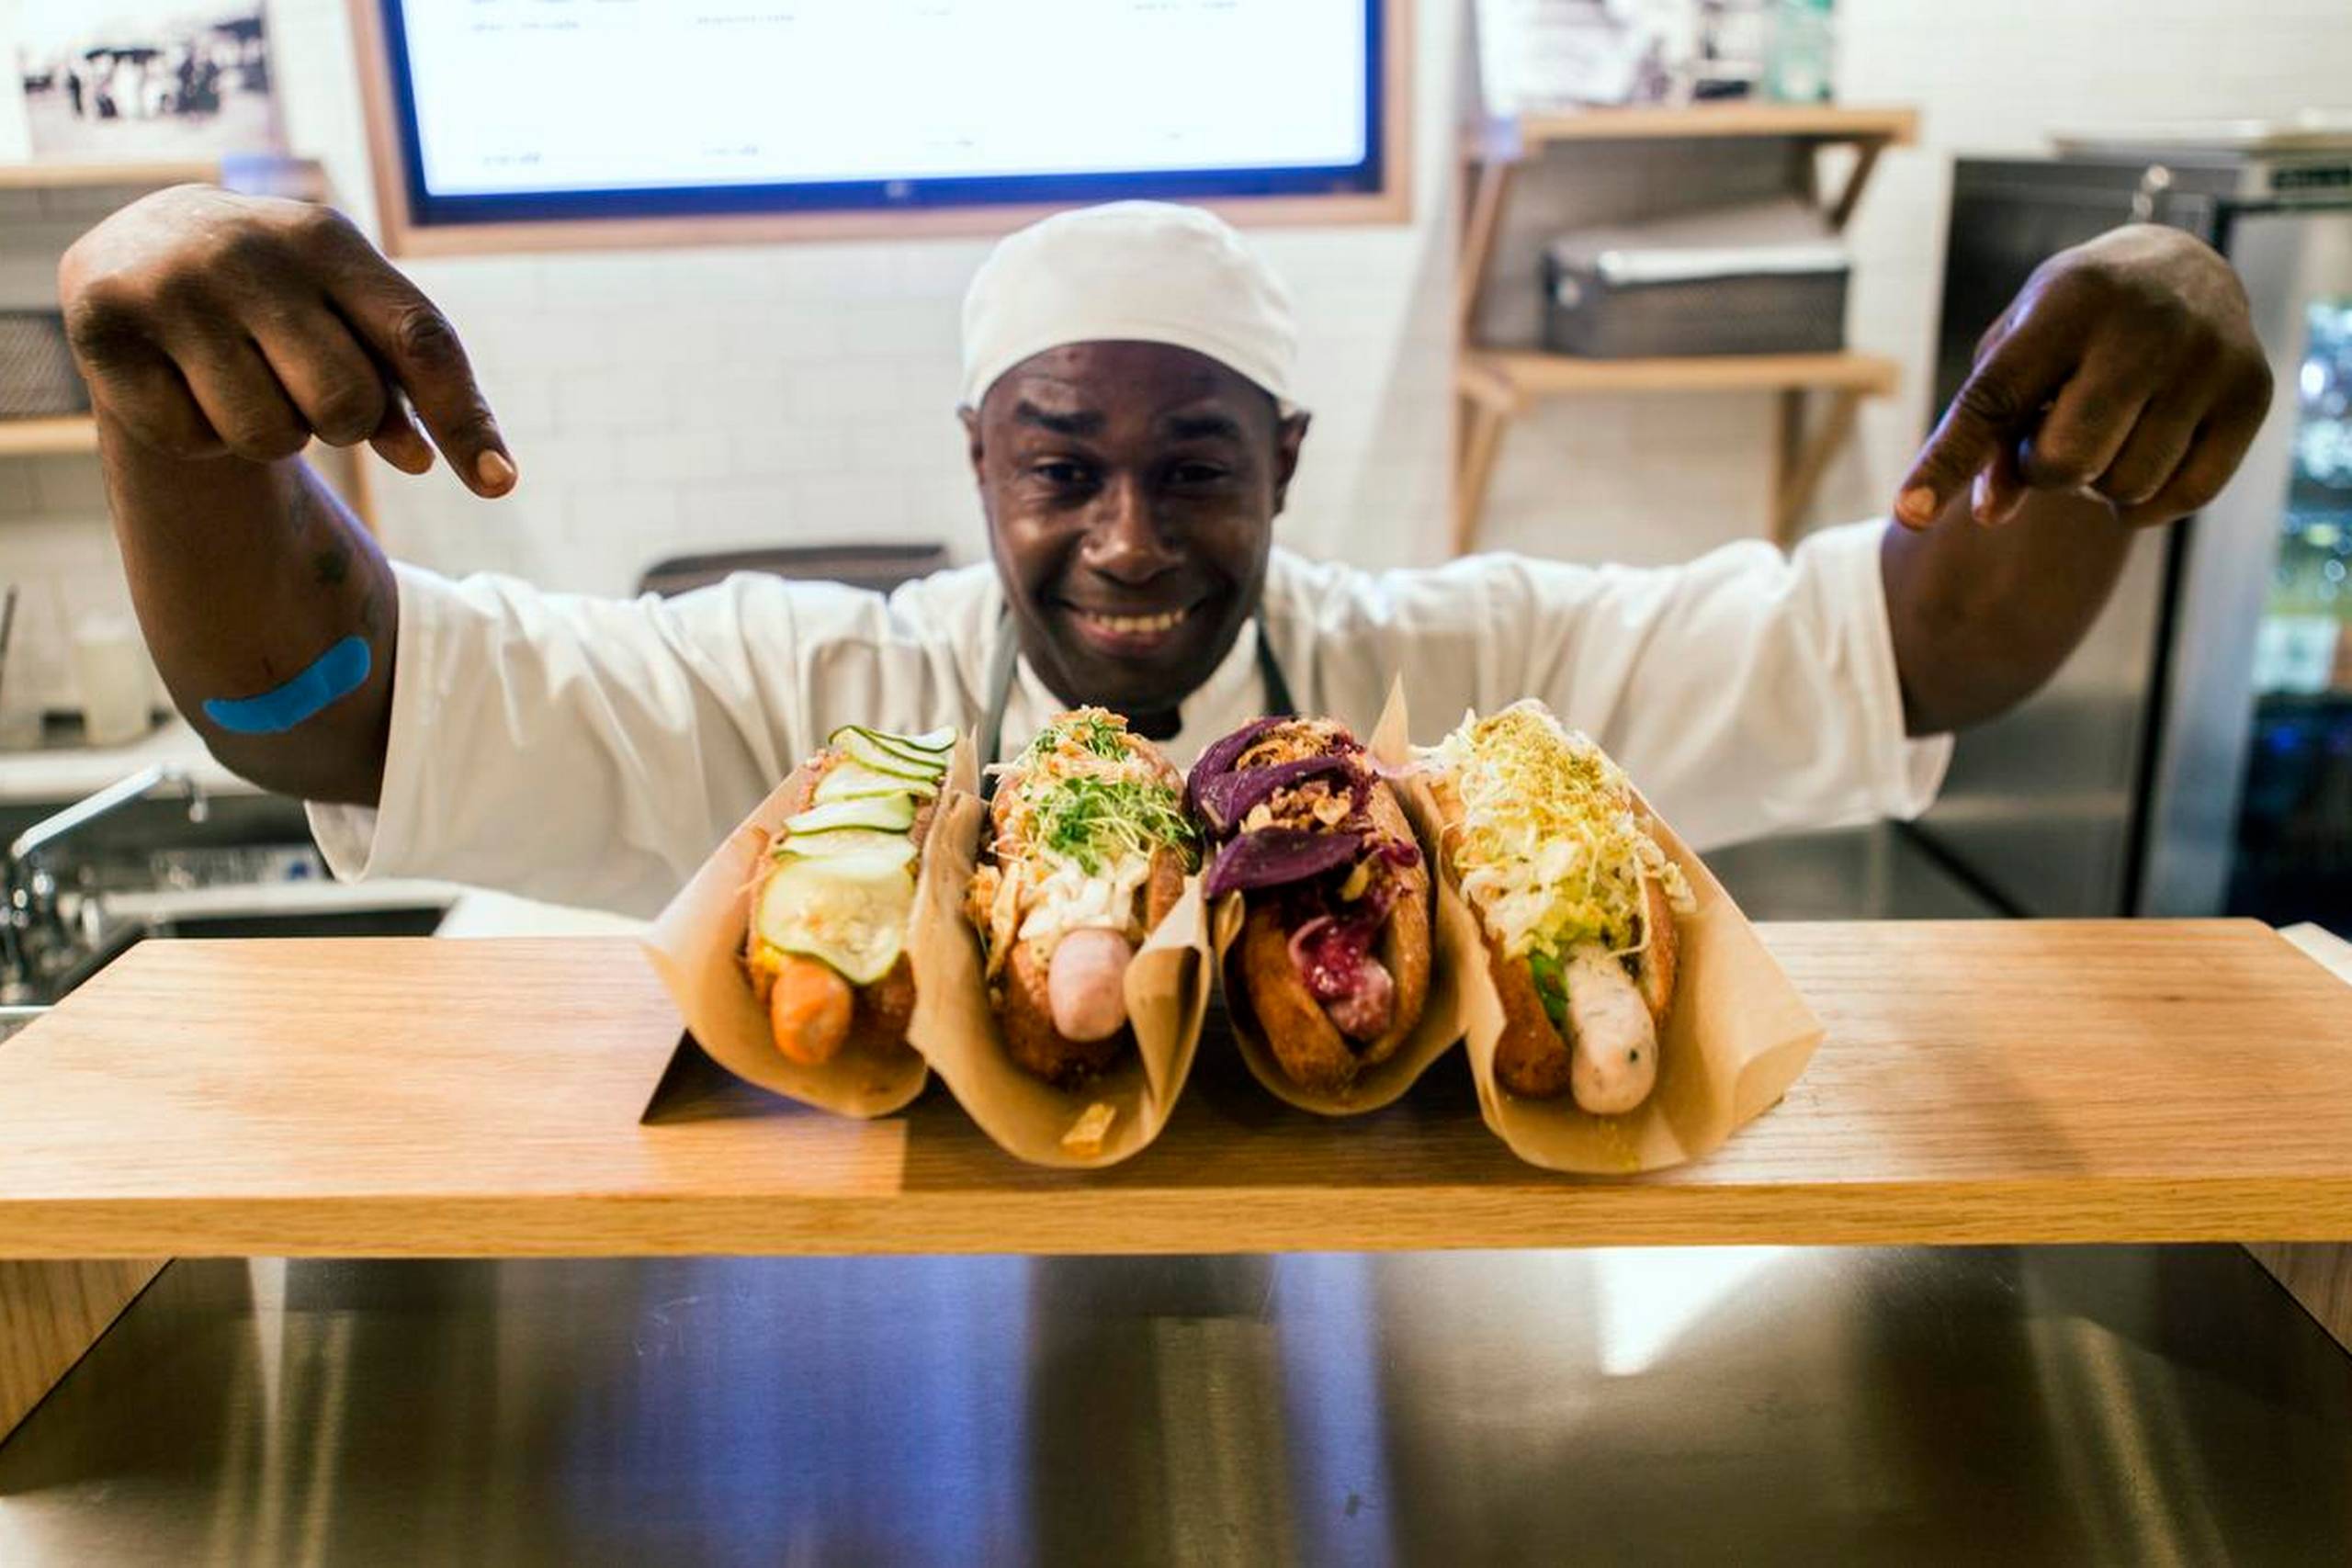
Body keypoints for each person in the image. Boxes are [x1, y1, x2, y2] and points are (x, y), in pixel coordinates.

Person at [56, 195, 2272, 915]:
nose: (1126, 540)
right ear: (972, 459)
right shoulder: (811, 705)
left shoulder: (1461, 684)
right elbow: (320, 711)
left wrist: (2096, 429)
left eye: (1195, 467)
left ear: (1285, 459)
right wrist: (171, 431)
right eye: (1057, 467)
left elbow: (1915, 655)